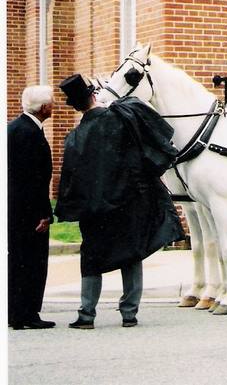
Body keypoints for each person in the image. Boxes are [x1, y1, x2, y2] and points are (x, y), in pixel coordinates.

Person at [55, 74, 184, 329]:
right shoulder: (121, 117)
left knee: (91, 258)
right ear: (94, 95)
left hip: (96, 209)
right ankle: (129, 312)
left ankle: (87, 313)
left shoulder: (75, 138)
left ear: (75, 105)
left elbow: (70, 180)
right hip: (130, 201)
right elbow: (149, 125)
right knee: (131, 254)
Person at [8, 85, 56, 330]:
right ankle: (27, 313)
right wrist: (44, 213)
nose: (54, 106)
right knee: (32, 262)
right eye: (52, 103)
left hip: (13, 209)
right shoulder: (31, 134)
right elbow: (34, 180)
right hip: (29, 212)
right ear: (44, 107)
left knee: (16, 261)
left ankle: (15, 311)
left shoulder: (12, 129)